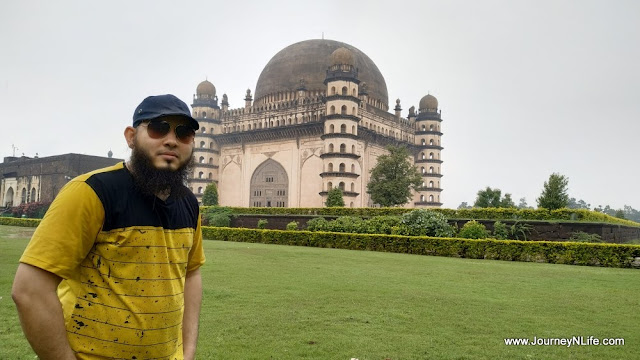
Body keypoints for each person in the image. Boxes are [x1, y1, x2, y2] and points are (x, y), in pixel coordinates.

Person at [12, 94, 205, 360]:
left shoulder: (188, 204)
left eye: (183, 133)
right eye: (158, 128)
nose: (171, 139)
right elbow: (30, 290)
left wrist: (188, 352)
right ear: (130, 137)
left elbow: (191, 275)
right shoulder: (92, 191)